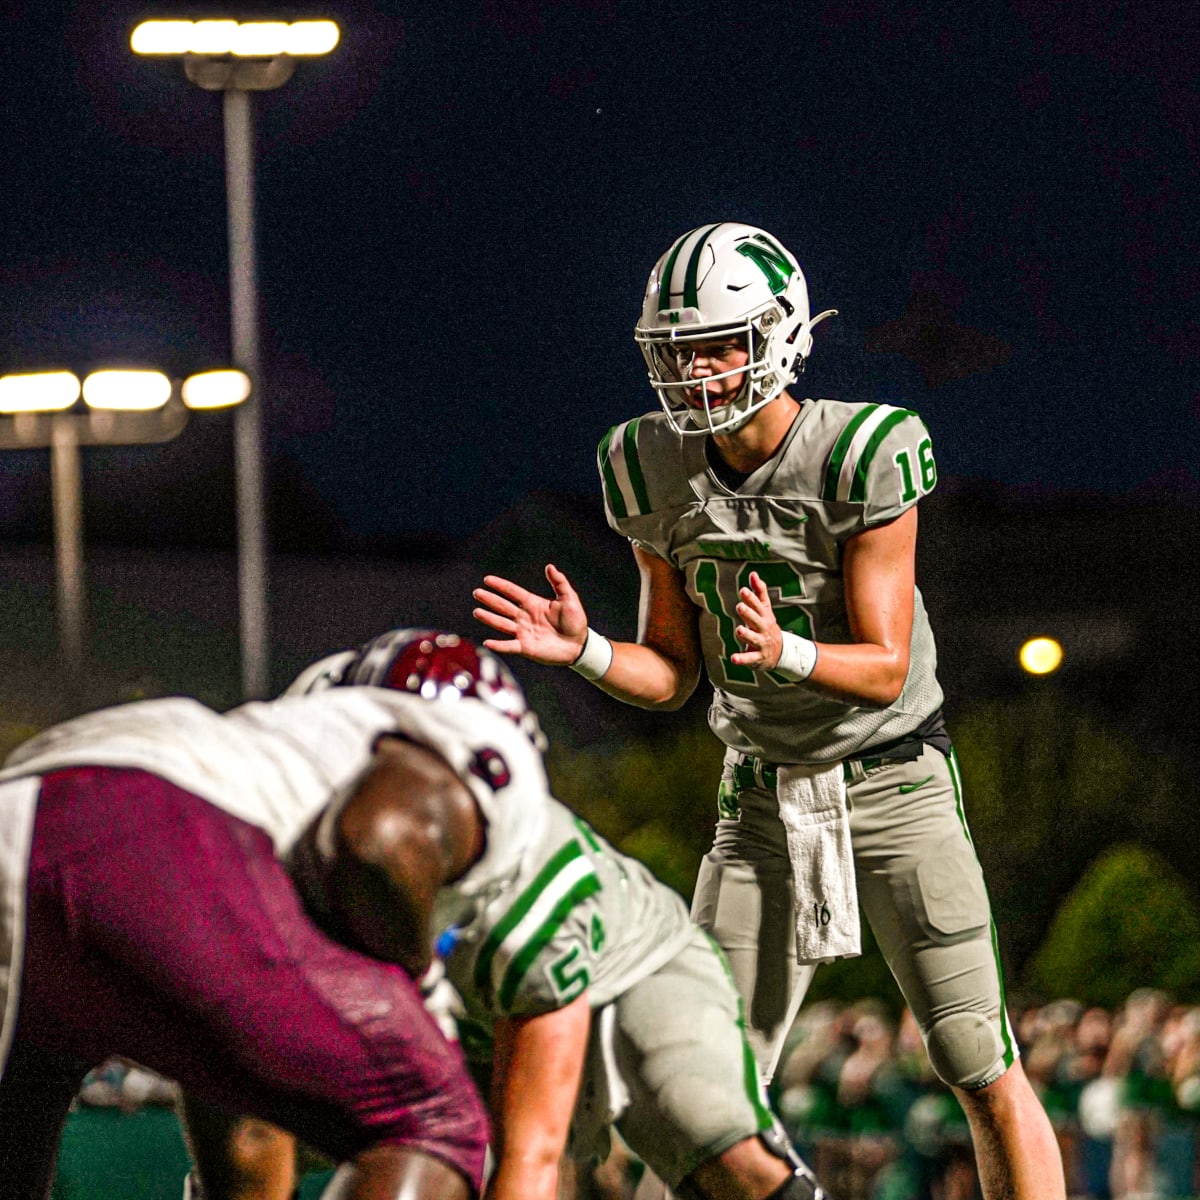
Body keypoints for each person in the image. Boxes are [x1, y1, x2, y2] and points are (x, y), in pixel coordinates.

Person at [472, 221, 1067, 1199]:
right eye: (677, 351)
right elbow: (670, 672)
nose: (698, 371)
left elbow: (882, 666)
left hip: (896, 784)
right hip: (760, 804)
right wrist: (582, 647)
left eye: (718, 344)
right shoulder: (645, 462)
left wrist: (787, 651)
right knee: (695, 1080)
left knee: (975, 1054)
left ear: (781, 334)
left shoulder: (865, 450)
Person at [190, 629, 834, 1200]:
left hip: (628, 976)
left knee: (715, 1140)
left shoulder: (532, 884)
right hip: (463, 1009)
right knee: (259, 1112)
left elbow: (531, 1163)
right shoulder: (285, 839)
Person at [0, 674, 493, 1199]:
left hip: (23, 804)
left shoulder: (290, 731)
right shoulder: (492, 762)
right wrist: (420, 975)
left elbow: (244, 1124)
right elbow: (377, 840)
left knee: (31, 1096)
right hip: (156, 827)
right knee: (436, 1122)